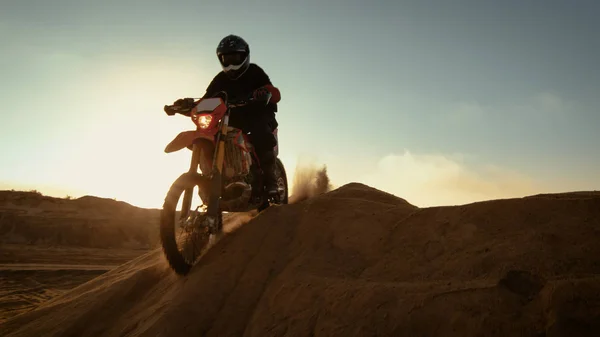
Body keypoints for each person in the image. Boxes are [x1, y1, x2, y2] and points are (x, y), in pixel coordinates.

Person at [173, 34, 281, 197]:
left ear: (244, 57)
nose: (231, 63)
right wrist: (185, 106)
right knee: (209, 133)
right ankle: (217, 178)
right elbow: (206, 99)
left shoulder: (254, 72)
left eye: (235, 58)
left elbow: (273, 91)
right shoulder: (220, 79)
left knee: (260, 131)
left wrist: (263, 93)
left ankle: (270, 180)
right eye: (226, 59)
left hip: (255, 114)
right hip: (230, 118)